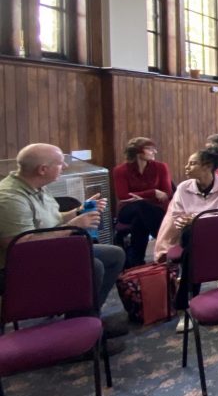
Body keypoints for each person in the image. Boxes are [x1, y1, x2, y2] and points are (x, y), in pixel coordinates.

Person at [0, 143, 127, 343]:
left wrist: (78, 211)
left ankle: (85, 319)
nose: (65, 167)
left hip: (49, 252)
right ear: (43, 169)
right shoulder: (10, 198)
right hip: (19, 269)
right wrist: (74, 226)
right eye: (60, 164)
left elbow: (54, 219)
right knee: (93, 266)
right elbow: (20, 245)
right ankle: (78, 339)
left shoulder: (38, 187)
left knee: (114, 255)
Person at [152, 147, 218, 332]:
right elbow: (176, 217)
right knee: (191, 234)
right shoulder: (184, 188)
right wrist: (191, 221)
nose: (186, 167)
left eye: (192, 163)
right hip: (189, 236)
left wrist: (198, 219)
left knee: (193, 242)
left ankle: (185, 306)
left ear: (207, 166)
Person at [112, 137, 173, 268]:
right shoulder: (120, 170)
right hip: (128, 209)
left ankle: (136, 261)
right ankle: (164, 241)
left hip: (154, 209)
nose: (154, 152)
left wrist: (139, 196)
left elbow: (167, 193)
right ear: (139, 151)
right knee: (141, 207)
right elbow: (123, 196)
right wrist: (153, 193)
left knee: (140, 218)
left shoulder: (161, 167)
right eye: (150, 149)